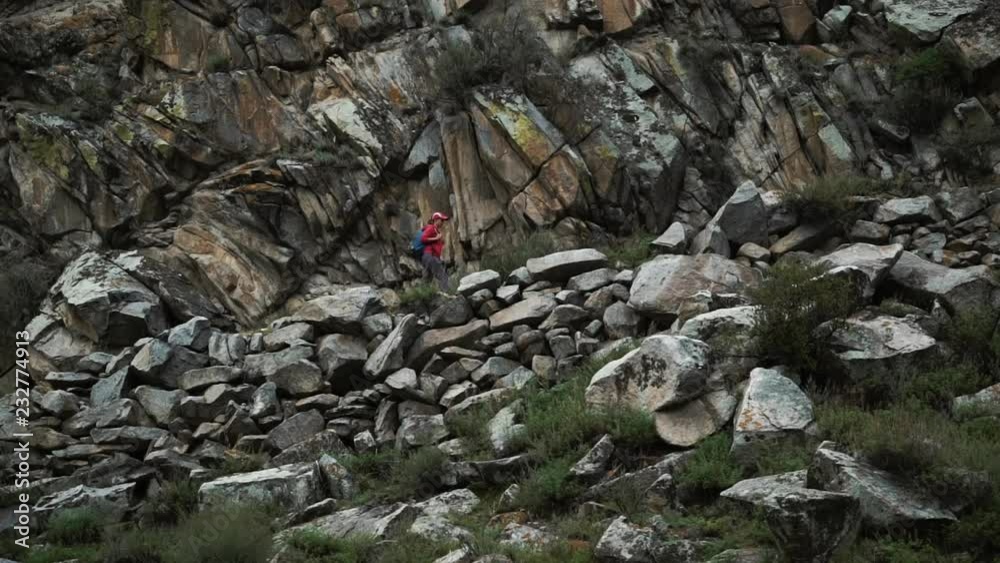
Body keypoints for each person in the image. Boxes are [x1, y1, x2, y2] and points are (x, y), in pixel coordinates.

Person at [420, 212, 451, 292]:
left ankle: (421, 297)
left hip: (429, 257)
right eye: (442, 220)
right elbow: (423, 239)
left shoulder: (436, 231)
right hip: (430, 256)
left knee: (427, 279)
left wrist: (440, 240)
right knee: (443, 275)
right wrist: (436, 238)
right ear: (436, 220)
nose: (443, 222)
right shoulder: (431, 228)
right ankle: (447, 293)